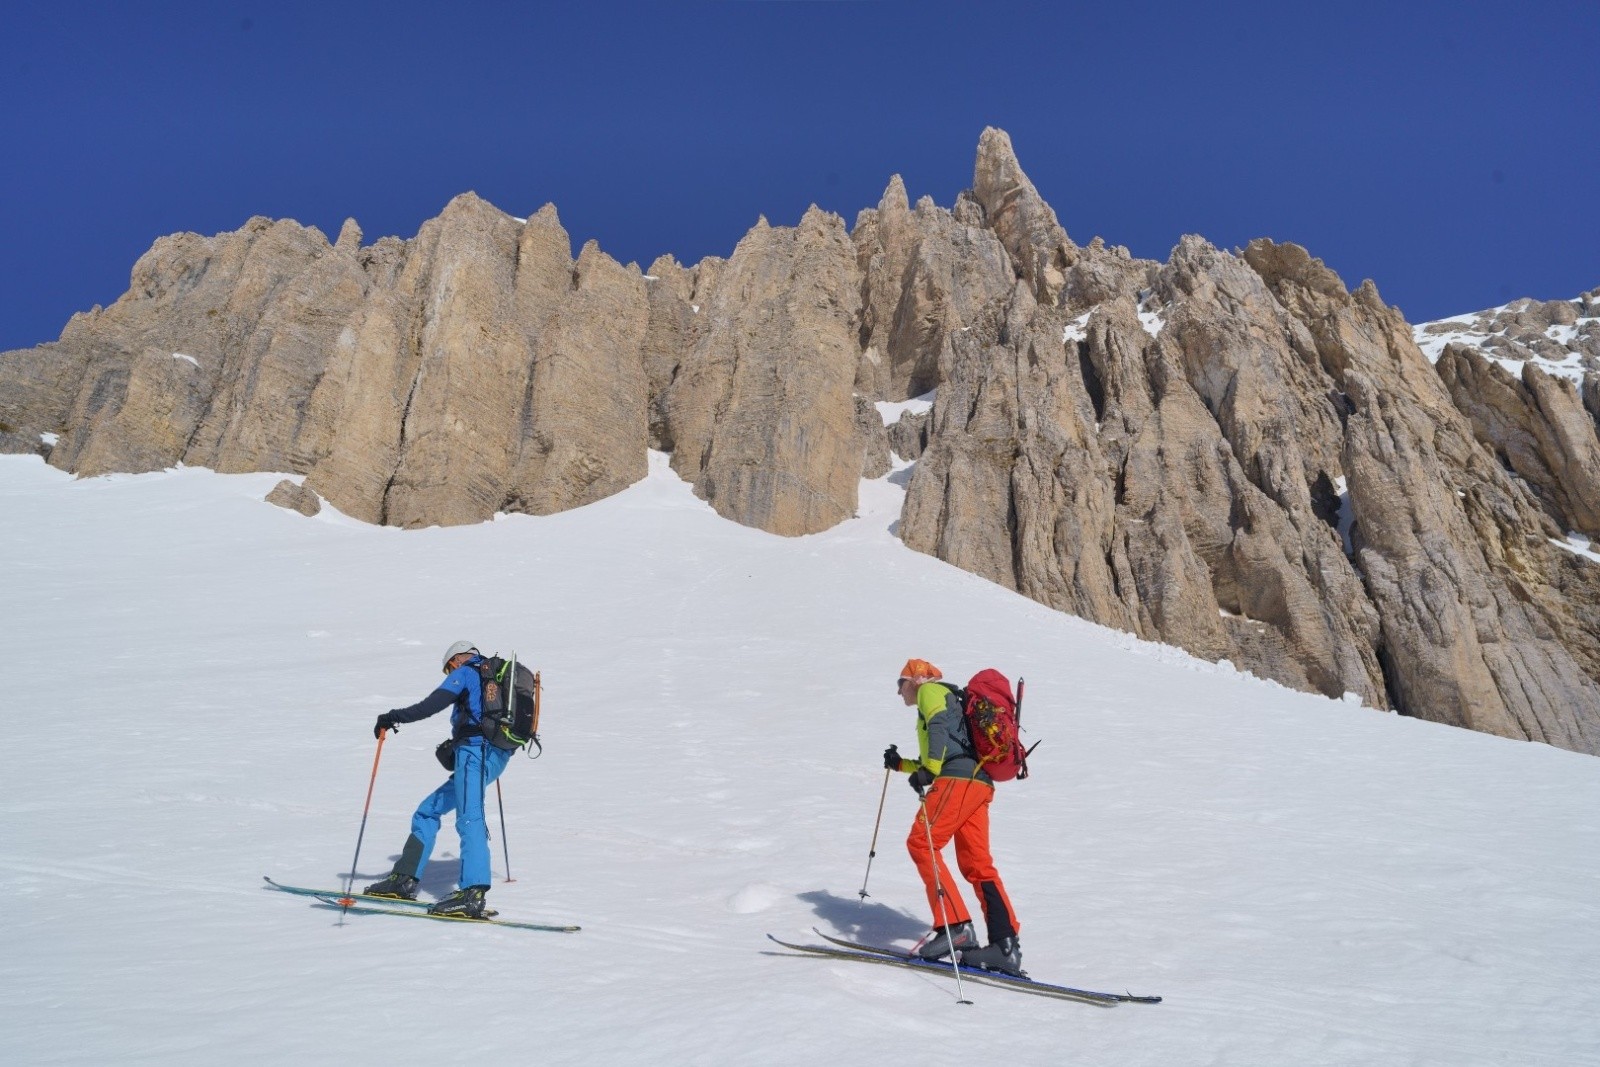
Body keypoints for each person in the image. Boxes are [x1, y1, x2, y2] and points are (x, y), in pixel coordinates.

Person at [884, 657, 1023, 975]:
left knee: (921, 842)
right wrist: (901, 764)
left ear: (915, 679)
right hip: (978, 784)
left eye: (899, 683)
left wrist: (930, 770)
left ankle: (955, 927)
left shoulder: (929, 693)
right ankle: (1006, 945)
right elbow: (937, 751)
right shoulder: (949, 699)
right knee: (978, 864)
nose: (898, 692)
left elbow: (936, 735)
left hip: (957, 781)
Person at [364, 641, 513, 918]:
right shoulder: (493, 677)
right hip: (495, 756)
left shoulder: (467, 671)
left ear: (456, 659)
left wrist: (392, 717)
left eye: (448, 668)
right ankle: (404, 879)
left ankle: (472, 892)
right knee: (428, 810)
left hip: (474, 754)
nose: (448, 673)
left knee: (469, 817)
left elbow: (430, 705)